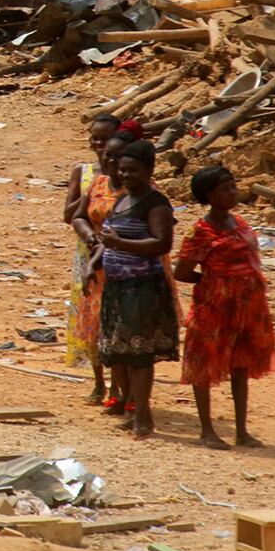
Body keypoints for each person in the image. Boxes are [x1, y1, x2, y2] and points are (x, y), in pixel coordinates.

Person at [174, 165, 275, 449]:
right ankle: (207, 430)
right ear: (210, 195)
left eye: (234, 186)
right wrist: (215, 281)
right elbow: (181, 271)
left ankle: (242, 431)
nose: (234, 192)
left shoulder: (240, 223)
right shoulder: (201, 231)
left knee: (241, 366)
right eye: (226, 189)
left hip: (247, 306)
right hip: (214, 306)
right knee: (203, 366)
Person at [92, 139, 180, 438]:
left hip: (142, 287)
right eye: (123, 170)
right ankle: (133, 410)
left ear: (149, 170)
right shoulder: (122, 200)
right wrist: (97, 261)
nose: (126, 175)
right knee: (121, 352)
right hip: (117, 286)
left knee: (141, 354)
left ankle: (143, 416)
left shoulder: (156, 204)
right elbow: (107, 237)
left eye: (133, 170)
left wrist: (121, 244)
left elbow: (162, 243)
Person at [63, 113, 121, 403]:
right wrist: (90, 193)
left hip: (118, 256)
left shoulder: (126, 171)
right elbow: (69, 214)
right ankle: (99, 382)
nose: (99, 143)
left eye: (105, 138)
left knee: (115, 320)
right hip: (87, 255)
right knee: (91, 321)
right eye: (95, 138)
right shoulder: (84, 171)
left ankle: (118, 387)